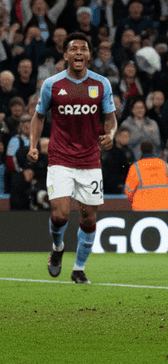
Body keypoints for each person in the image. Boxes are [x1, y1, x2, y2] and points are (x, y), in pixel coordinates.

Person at [28, 33, 116, 284]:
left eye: (83, 49)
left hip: (90, 160)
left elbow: (110, 117)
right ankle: (57, 249)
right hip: (60, 158)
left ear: (89, 55)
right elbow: (39, 116)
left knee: (88, 217)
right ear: (65, 55)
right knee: (60, 215)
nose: (79, 52)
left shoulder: (101, 84)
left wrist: (110, 134)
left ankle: (78, 268)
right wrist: (34, 146)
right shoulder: (52, 85)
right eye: (73, 49)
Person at [124, 140, 168, 210]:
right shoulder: (165, 165)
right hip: (164, 207)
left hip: (142, 208)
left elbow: (128, 191)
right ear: (153, 150)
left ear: (141, 151)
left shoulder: (135, 167)